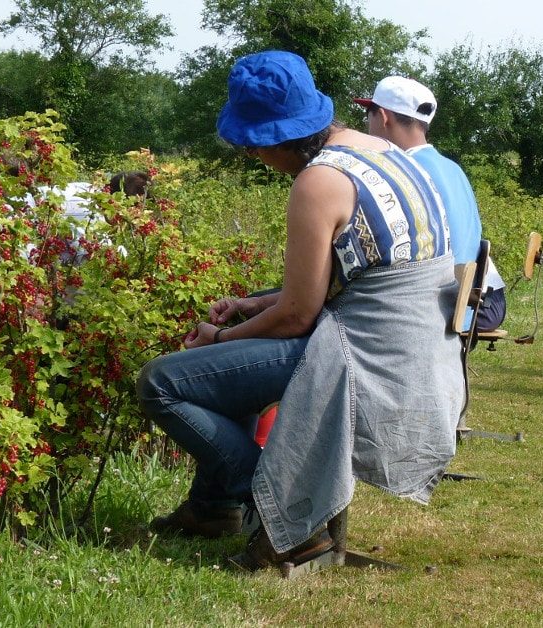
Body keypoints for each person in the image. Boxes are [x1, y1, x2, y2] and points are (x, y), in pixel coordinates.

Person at [136, 50, 464, 571]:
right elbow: (359, 274)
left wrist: (221, 338)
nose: (253, 159)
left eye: (252, 148)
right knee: (229, 371)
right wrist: (251, 306)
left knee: (161, 382)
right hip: (418, 352)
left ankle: (280, 508)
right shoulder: (382, 151)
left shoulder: (319, 181)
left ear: (275, 141)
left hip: (368, 359)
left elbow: (296, 317)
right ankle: (214, 508)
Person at [354, 76, 507, 331]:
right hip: (478, 304)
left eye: (368, 115)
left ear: (382, 116)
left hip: (435, 312)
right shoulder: (453, 169)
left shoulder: (400, 172)